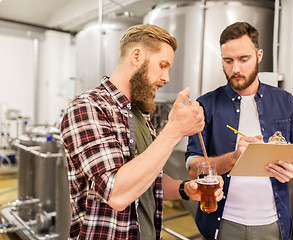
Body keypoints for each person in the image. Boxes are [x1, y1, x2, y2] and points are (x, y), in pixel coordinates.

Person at [60, 24, 223, 240]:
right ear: (136, 56)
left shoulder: (140, 114)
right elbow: (116, 193)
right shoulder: (87, 107)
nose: (166, 78)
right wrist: (174, 131)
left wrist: (185, 189)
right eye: (162, 65)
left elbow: (148, 179)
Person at [185, 22, 293, 240]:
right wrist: (233, 159)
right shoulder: (206, 105)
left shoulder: (285, 101)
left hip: (273, 222)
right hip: (222, 224)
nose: (236, 69)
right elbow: (193, 167)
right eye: (228, 61)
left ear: (259, 55)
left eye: (243, 59)